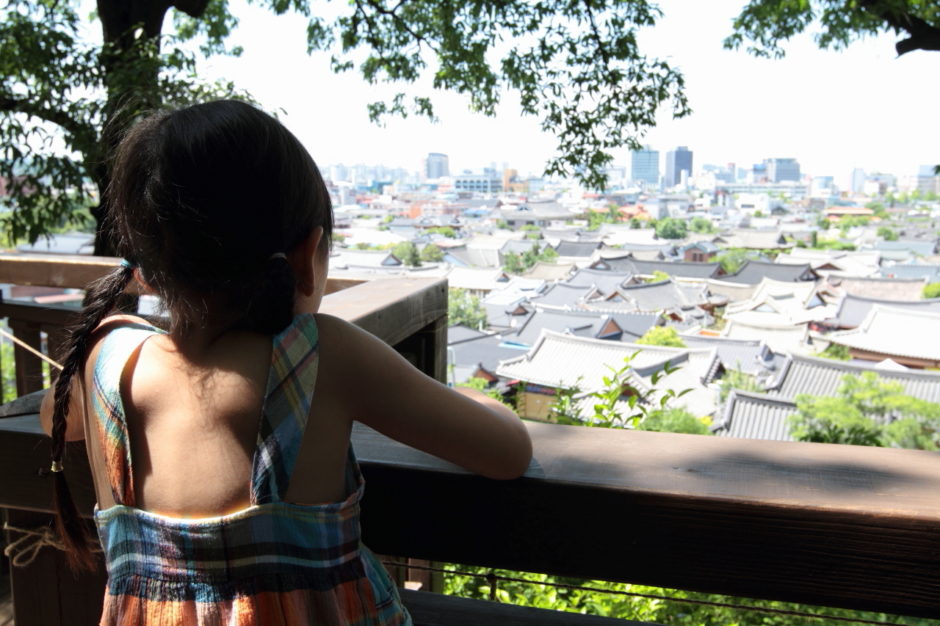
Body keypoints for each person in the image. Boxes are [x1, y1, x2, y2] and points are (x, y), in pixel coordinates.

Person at [39, 100, 532, 625]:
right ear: (307, 254)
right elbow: (507, 452)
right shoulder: (322, 351)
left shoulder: (106, 360)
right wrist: (476, 399)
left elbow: (55, 419)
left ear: (147, 275)